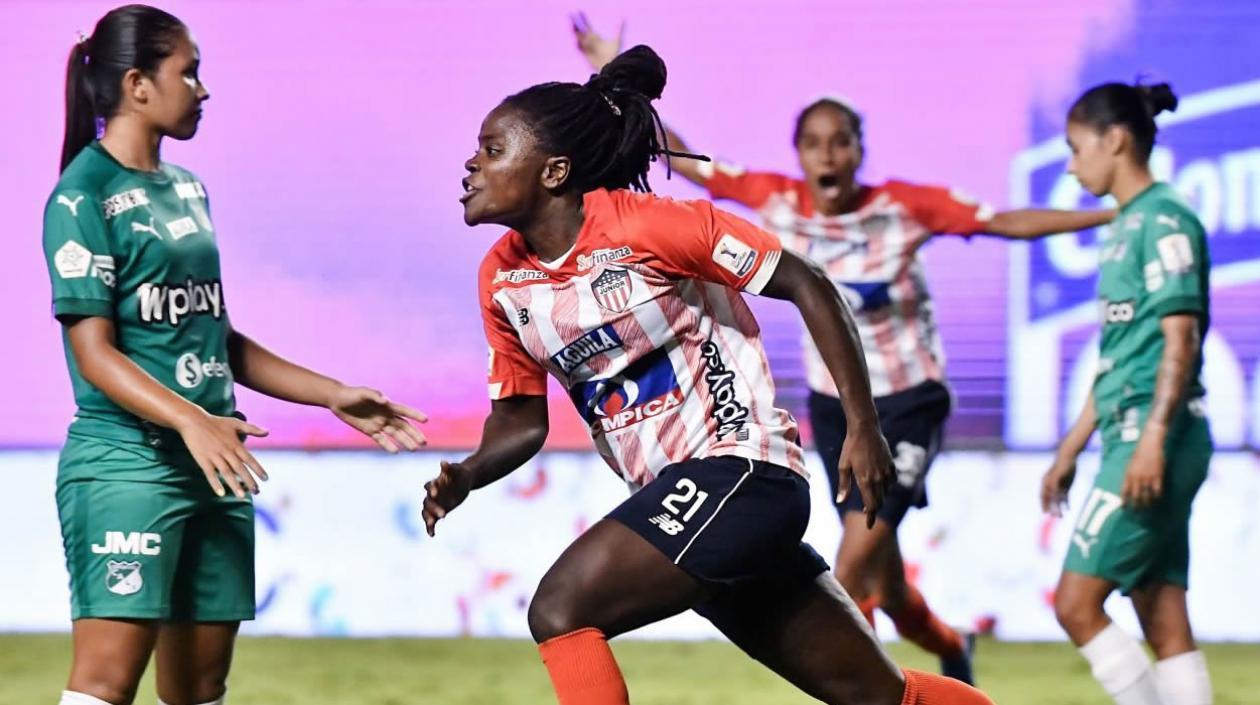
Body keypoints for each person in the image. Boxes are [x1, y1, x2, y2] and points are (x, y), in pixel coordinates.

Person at [422, 44, 995, 705]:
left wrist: (863, 424)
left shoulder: (651, 227)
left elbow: (809, 283)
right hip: (686, 500)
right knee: (879, 695)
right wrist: (469, 472)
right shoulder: (501, 279)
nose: (471, 163)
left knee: (559, 609)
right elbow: (520, 420)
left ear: (553, 171)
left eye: (492, 149)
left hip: (741, 470)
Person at [572, 13, 1115, 684]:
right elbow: (686, 161)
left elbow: (1005, 221)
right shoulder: (775, 199)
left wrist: (1118, 210)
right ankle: (950, 648)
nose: (829, 156)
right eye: (815, 144)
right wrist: (618, 73)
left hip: (909, 402)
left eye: (842, 142)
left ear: (861, 149)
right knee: (884, 573)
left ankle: (879, 694)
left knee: (855, 558)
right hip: (833, 406)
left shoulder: (904, 206)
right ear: (798, 153)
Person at [44, 6, 427, 704]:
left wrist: (333, 392)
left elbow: (215, 337)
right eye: (187, 72)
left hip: (218, 461)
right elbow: (94, 354)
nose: (202, 88)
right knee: (105, 685)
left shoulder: (188, 190)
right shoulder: (82, 195)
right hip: (129, 466)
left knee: (201, 686)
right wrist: (191, 420)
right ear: (136, 85)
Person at [1041, 81, 1213, 705]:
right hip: (1134, 429)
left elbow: (1180, 339)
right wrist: (1070, 448)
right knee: (1162, 614)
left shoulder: (1165, 219)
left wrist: (1154, 441)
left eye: (1074, 146)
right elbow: (1122, 358)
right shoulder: (1126, 226)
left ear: (1114, 141)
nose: (1069, 162)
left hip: (1153, 435)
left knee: (1075, 603)